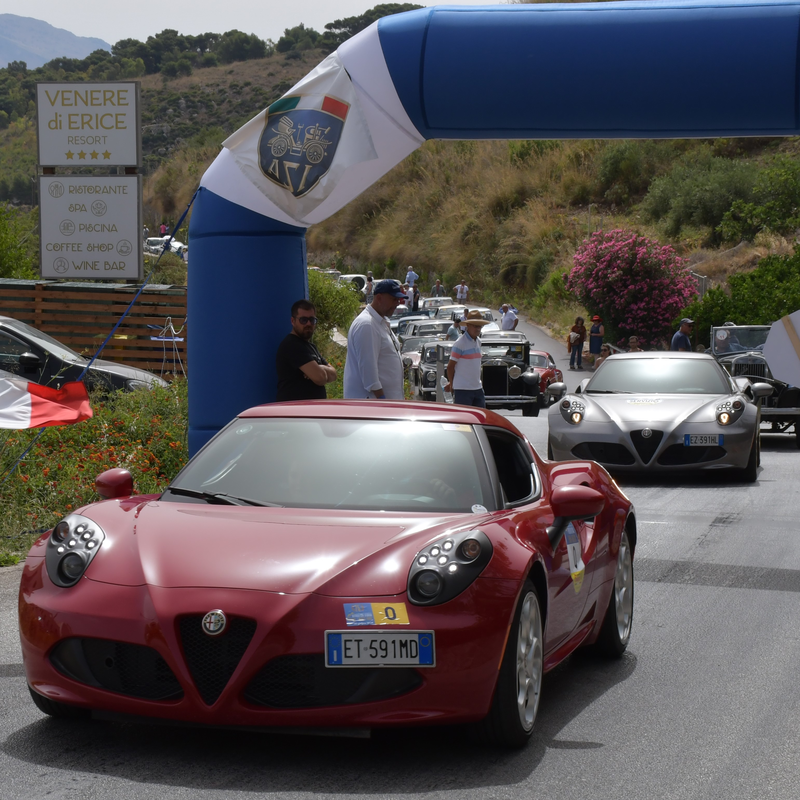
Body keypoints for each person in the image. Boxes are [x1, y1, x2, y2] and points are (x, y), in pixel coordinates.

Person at [343, 279, 406, 399]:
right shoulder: (367, 325)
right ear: (379, 298)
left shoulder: (379, 322)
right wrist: (383, 401)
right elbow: (369, 375)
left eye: (398, 300)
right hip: (373, 408)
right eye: (394, 299)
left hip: (384, 407)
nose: (397, 303)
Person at [275, 300, 337, 401]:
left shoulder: (311, 347)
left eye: (312, 320)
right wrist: (320, 371)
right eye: (303, 320)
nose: (308, 323)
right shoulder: (292, 345)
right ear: (293, 321)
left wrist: (319, 367)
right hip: (295, 413)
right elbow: (320, 378)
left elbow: (334, 374)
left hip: (311, 412)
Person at [445, 310, 491, 407]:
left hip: (477, 388)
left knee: (480, 419)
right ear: (468, 325)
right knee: (463, 420)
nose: (478, 329)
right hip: (463, 389)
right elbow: (450, 367)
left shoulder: (478, 341)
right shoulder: (460, 343)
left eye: (480, 326)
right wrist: (452, 384)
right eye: (475, 326)